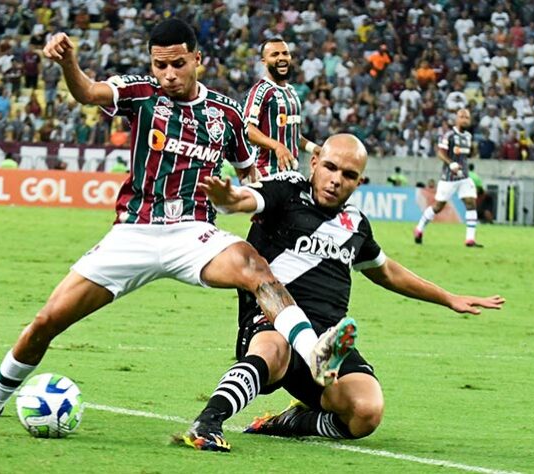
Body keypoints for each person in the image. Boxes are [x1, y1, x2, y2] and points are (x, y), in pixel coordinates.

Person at [0, 19, 348, 419]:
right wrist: (67, 64)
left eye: (177, 64)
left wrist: (232, 198)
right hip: (134, 232)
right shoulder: (141, 93)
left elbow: (246, 178)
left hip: (194, 233)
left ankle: (313, 352)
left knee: (256, 269)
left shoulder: (227, 115)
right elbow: (90, 93)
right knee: (47, 320)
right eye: (160, 65)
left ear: (197, 60)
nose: (168, 74)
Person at [178, 134, 505, 452]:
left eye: (348, 175)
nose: (336, 180)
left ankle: (291, 423)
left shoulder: (356, 224)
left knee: (367, 412)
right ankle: (207, 422)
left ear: (359, 182)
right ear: (315, 162)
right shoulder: (287, 191)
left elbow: (387, 271)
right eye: (331, 168)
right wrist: (229, 200)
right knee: (273, 349)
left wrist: (448, 298)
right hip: (272, 321)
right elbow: (246, 199)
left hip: (328, 348)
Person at [244, 37, 320, 177]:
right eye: (275, 54)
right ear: (264, 62)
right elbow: (247, 130)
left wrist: (315, 149)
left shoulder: (292, 91)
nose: (282, 58)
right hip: (266, 175)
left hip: (291, 175)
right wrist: (277, 146)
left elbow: (293, 135)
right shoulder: (260, 91)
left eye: (285, 53)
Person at [414, 108, 481, 247]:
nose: (465, 119)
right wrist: (451, 164)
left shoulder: (468, 136)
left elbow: (466, 154)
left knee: (471, 203)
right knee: (438, 206)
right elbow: (440, 153)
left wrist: (473, 152)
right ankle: (419, 228)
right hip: (449, 177)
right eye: (462, 116)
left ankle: (470, 239)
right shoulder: (449, 135)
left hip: (464, 177)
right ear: (456, 119)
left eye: (467, 117)